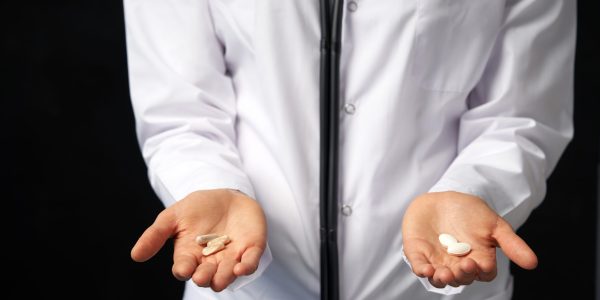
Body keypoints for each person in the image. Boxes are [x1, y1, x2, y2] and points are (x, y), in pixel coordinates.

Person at [123, 0, 575, 299]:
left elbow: (523, 115)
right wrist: (208, 185)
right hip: (244, 285)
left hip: (433, 282)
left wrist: (474, 189)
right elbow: (181, 112)